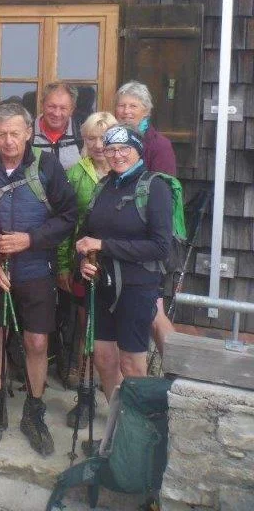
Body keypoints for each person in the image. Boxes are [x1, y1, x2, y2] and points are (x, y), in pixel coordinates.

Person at [0, 101, 76, 456]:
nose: (9, 141)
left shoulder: (47, 167)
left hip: (36, 270)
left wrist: (31, 239)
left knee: (37, 343)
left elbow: (69, 215)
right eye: (2, 134)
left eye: (16, 133)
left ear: (29, 133)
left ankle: (34, 412)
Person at [76, 126, 173, 403]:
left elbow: (160, 247)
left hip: (137, 287)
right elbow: (88, 235)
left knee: (131, 364)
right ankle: (115, 429)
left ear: (137, 150)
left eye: (124, 149)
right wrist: (84, 261)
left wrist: (103, 246)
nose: (117, 155)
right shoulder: (103, 186)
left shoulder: (154, 187)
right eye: (111, 149)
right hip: (103, 285)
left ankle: (136, 436)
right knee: (105, 361)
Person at [57, 111, 118, 426]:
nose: (97, 145)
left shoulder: (125, 174)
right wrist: (65, 265)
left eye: (103, 138)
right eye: (91, 138)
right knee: (86, 328)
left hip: (116, 265)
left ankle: (118, 399)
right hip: (84, 264)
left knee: (111, 333)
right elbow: (66, 224)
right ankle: (85, 395)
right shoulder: (75, 174)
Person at [113, 80, 178, 357]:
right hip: (123, 241)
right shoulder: (114, 141)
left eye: (133, 106)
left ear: (146, 111)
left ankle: (179, 369)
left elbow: (162, 192)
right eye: (122, 105)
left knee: (155, 311)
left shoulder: (158, 145)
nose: (126, 111)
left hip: (149, 243)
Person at [31, 82, 84, 170]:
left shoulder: (81, 134)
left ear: (72, 110)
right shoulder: (27, 134)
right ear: (42, 105)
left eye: (63, 108)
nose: (56, 113)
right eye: (51, 106)